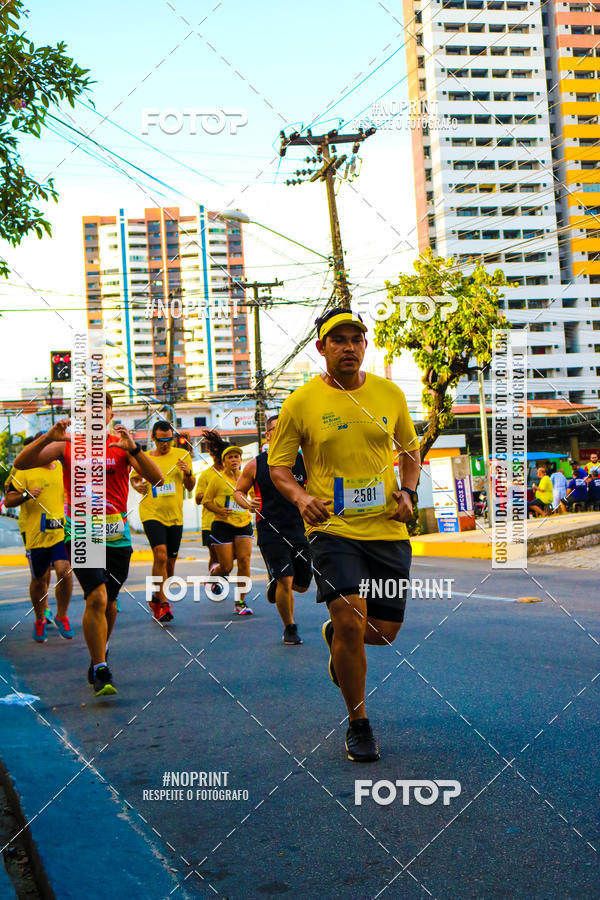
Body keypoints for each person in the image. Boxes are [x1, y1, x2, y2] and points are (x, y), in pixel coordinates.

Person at [269, 307, 420, 763]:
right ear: (322, 348)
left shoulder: (389, 394)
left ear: (364, 346)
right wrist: (300, 498)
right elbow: (278, 467)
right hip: (332, 528)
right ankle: (359, 723)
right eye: (339, 340)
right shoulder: (300, 403)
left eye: (356, 338)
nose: (349, 346)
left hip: (386, 529)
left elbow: (410, 450)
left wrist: (408, 491)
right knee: (352, 614)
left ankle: (337, 635)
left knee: (383, 631)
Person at [15, 393, 163, 696]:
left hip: (116, 535)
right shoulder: (67, 444)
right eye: (88, 408)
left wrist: (134, 448)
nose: (95, 412)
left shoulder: (120, 445)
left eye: (102, 407)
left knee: (109, 602)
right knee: (95, 597)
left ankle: (101, 650)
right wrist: (47, 438)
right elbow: (22, 462)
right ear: (81, 414)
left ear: (110, 413)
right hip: (81, 531)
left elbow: (157, 479)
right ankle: (99, 667)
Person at [233, 414, 312, 645]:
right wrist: (247, 503)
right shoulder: (256, 464)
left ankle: (275, 583)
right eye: (277, 429)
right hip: (270, 530)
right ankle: (290, 627)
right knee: (286, 580)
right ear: (268, 435)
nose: (282, 433)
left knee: (302, 584)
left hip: (299, 529)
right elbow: (238, 491)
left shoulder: (303, 461)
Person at [131, 420, 195, 624]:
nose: (165, 444)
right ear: (153, 438)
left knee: (169, 563)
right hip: (151, 512)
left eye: (169, 439)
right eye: (161, 440)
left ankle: (156, 596)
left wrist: (188, 473)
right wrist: (137, 485)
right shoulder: (146, 458)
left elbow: (190, 486)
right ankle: (164, 604)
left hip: (175, 515)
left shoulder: (182, 455)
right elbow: (134, 478)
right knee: (159, 554)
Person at [4, 456, 72, 642]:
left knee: (65, 572)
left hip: (60, 532)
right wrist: (26, 495)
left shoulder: (62, 468)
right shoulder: (24, 470)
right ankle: (40, 619)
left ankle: (62, 615)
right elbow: (8, 500)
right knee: (39, 579)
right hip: (36, 534)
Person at [202, 445, 256, 616]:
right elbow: (206, 501)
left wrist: (253, 505)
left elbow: (253, 499)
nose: (234, 460)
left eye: (236, 457)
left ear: (241, 460)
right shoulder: (217, 479)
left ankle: (240, 602)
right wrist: (219, 510)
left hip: (243, 523)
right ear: (224, 461)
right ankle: (214, 573)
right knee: (226, 567)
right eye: (230, 457)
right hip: (223, 525)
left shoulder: (246, 478)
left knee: (244, 561)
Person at [5, 436, 53, 626]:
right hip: (29, 526)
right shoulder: (19, 469)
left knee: (50, 568)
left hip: (52, 525)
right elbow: (9, 493)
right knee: (39, 572)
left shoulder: (52, 467)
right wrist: (25, 494)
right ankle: (43, 607)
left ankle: (45, 604)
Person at [195, 430, 226, 590]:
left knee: (227, 559)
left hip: (231, 522)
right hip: (210, 523)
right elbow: (198, 498)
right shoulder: (206, 475)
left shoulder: (234, 475)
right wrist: (214, 492)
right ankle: (214, 583)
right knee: (214, 555)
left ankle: (220, 574)